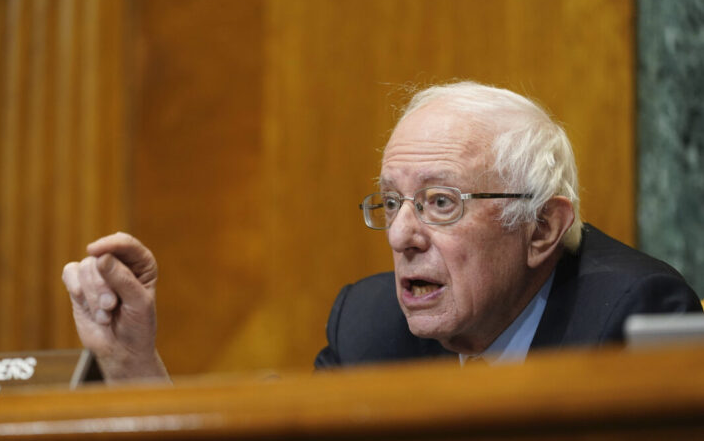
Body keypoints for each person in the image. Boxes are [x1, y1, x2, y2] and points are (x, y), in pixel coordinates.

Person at [62, 81, 702, 381]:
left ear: (541, 229)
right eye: (391, 202)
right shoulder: (368, 325)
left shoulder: (628, 316)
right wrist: (132, 362)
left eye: (440, 203)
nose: (401, 235)